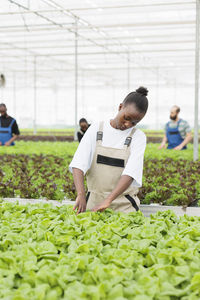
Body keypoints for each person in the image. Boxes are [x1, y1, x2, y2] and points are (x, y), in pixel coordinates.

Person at [69, 87, 148, 214]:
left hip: (124, 206)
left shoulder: (138, 137)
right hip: (93, 204)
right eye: (126, 118)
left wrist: (109, 200)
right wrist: (81, 194)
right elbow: (79, 163)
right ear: (120, 107)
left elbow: (131, 173)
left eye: (134, 123)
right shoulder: (96, 128)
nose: (128, 124)